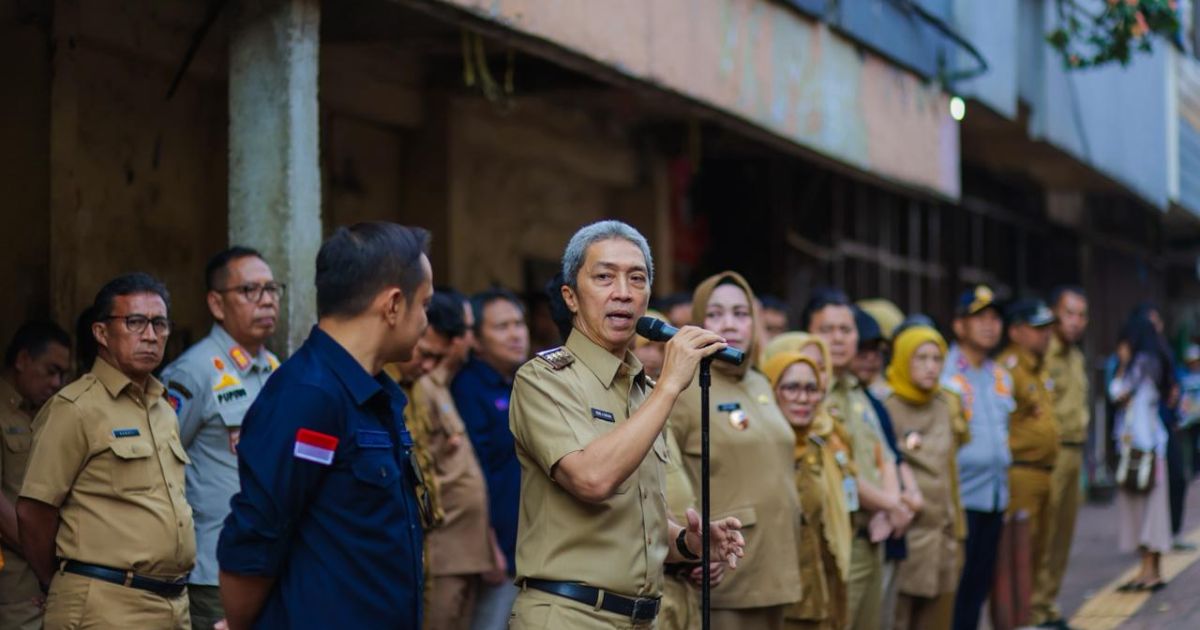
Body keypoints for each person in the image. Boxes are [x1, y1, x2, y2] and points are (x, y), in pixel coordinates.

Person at [507, 220, 745, 628]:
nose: (623, 292)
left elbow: (643, 524)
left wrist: (689, 542)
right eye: (604, 277)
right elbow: (592, 480)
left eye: (637, 278)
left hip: (643, 617)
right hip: (569, 615)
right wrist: (670, 385)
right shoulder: (543, 379)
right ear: (571, 297)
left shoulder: (643, 390)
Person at [217, 223, 433, 628]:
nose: (426, 321)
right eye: (425, 305)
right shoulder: (309, 395)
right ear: (392, 305)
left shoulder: (374, 394)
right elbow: (254, 541)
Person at [18, 273, 194, 628]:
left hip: (173, 605)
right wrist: (62, 581)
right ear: (101, 333)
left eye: (159, 323)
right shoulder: (75, 408)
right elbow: (34, 512)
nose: (150, 335)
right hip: (104, 603)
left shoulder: (162, 408)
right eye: (135, 322)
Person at [669, 271, 801, 629]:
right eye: (715, 314)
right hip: (726, 568)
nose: (730, 323)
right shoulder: (682, 386)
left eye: (741, 314)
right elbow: (663, 472)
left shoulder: (759, 381)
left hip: (777, 564)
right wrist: (687, 547)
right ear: (697, 321)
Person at [159, 246, 282, 630]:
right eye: (249, 290)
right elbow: (160, 461)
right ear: (216, 303)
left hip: (270, 560)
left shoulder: (276, 368)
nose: (266, 300)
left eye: (272, 289)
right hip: (215, 567)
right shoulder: (193, 372)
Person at [803, 289, 911, 630]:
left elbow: (886, 457)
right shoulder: (809, 392)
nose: (838, 339)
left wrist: (891, 504)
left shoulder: (858, 391)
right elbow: (836, 466)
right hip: (837, 542)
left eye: (846, 330)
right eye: (827, 330)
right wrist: (890, 506)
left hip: (874, 538)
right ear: (809, 334)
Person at [452, 287, 530, 629]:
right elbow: (472, 473)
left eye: (519, 323)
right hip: (493, 551)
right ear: (476, 340)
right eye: (502, 327)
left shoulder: (520, 384)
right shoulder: (468, 389)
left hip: (524, 549)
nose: (516, 334)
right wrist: (487, 545)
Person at [882, 325, 962, 630]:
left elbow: (949, 470)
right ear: (902, 359)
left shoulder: (944, 405)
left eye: (937, 358)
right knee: (898, 620)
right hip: (907, 535)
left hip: (942, 534)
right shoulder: (888, 407)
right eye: (921, 358)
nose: (931, 367)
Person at [943, 286, 1014, 630]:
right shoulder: (944, 373)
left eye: (995, 318)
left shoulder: (1000, 375)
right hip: (961, 499)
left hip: (995, 496)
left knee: (979, 585)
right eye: (980, 318)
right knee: (956, 586)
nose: (990, 325)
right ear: (959, 326)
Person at [764, 350, 851, 630]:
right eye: (791, 387)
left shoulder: (817, 446)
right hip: (776, 598)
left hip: (819, 591)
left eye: (811, 389)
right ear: (771, 390)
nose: (803, 398)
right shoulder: (761, 448)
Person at [0, 321, 71, 629]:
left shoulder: (41, 414)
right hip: (16, 580)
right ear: (22, 360)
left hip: (42, 579)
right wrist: (47, 566)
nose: (57, 382)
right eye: (50, 370)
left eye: (63, 374)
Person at [997, 298, 1059, 618]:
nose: (1045, 335)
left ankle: (1037, 609)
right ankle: (1022, 615)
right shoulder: (1009, 370)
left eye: (1048, 328)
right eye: (1037, 329)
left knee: (1041, 547)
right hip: (1021, 472)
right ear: (1016, 331)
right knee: (1022, 548)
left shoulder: (1038, 366)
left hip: (1045, 470)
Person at [1032, 286, 1089, 629]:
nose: (1076, 322)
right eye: (1070, 313)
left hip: (1076, 452)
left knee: (1064, 534)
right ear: (1054, 313)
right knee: (1045, 532)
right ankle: (1035, 608)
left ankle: (1048, 603)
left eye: (1082, 315)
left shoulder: (1077, 357)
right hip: (1054, 454)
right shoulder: (1045, 354)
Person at [1109, 311, 1173, 591]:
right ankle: (1152, 570)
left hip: (1140, 449)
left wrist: (1122, 364)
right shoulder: (1159, 361)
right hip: (1155, 446)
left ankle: (1147, 571)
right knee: (1154, 512)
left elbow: (1117, 393)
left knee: (1142, 512)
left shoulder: (1140, 364)